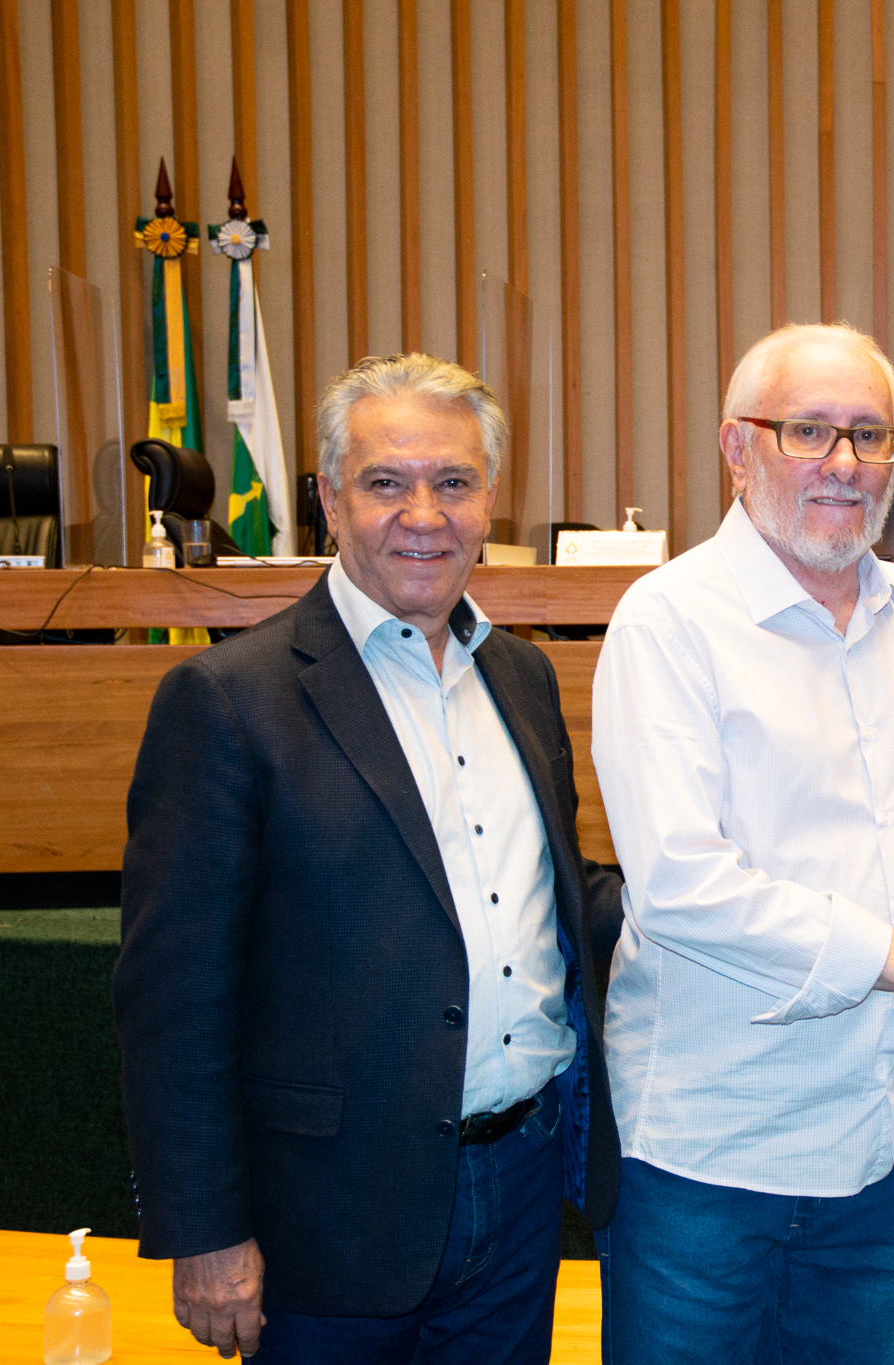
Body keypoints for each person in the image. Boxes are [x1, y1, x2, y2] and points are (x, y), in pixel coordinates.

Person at [114, 353, 626, 1364]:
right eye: (385, 483)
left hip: (519, 1198)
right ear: (326, 501)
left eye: (454, 482)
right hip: (327, 1222)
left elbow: (546, 893)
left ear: (491, 501)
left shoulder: (522, 676)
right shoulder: (226, 702)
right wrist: (205, 1230)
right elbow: (172, 1000)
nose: (423, 515)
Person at [588, 321, 894, 1364]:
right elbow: (679, 885)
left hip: (875, 1155)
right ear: (735, 449)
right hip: (707, 1161)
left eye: (870, 435)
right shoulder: (665, 623)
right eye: (807, 430)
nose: (844, 465)